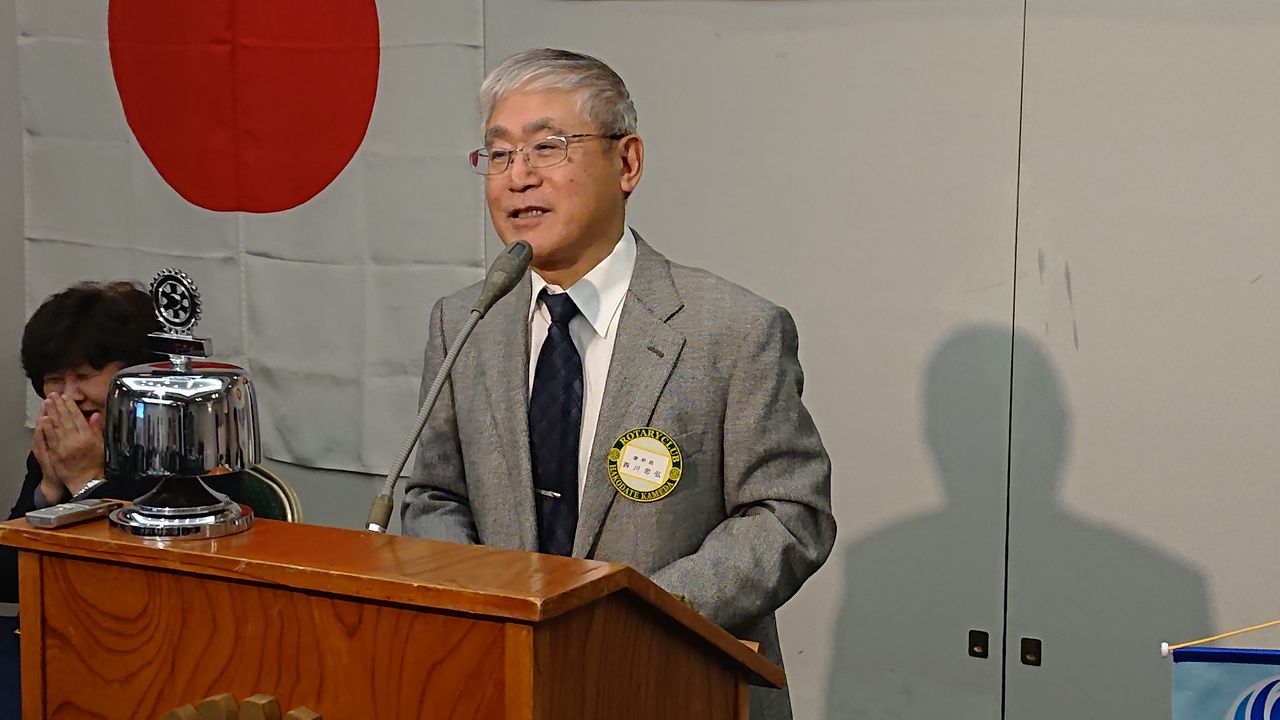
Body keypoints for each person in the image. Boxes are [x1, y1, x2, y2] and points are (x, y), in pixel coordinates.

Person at [400, 48, 835, 719]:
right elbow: (432, 493)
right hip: (503, 681)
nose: (518, 177)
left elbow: (789, 515)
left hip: (674, 682)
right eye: (500, 154)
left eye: (547, 147)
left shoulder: (733, 329)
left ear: (627, 162)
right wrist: (492, 604)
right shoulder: (463, 322)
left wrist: (638, 615)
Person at [1, 281, 242, 602]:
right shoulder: (58, 443)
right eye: (55, 380)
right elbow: (7, 581)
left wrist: (86, 482)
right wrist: (48, 490)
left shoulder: (190, 450)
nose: (70, 396)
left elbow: (143, 584)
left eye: (84, 376)